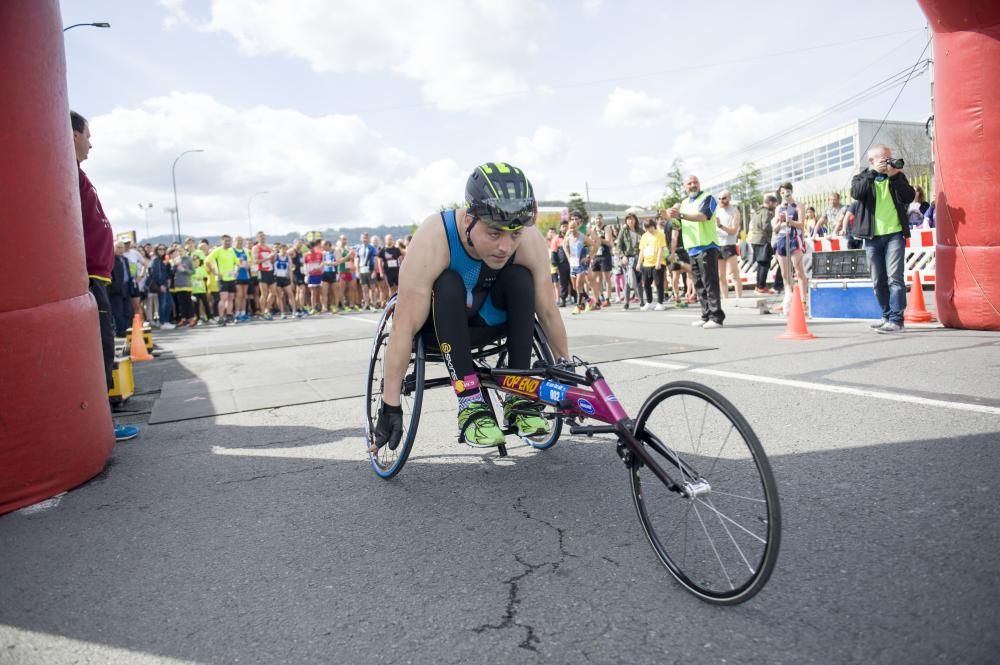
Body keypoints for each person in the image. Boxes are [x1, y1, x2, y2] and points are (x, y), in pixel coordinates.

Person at [371, 162, 570, 452]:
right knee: (448, 282)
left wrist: (565, 366)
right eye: (494, 234)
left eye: (514, 234)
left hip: (490, 324)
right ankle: (469, 402)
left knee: (519, 278)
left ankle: (519, 396)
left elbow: (549, 312)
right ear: (468, 221)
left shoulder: (528, 240)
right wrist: (390, 405)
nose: (505, 246)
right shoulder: (434, 237)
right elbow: (403, 328)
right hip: (437, 329)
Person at [71, 110, 139, 441]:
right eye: (88, 136)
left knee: (105, 349)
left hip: (97, 278)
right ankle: (102, 426)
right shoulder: (67, 174)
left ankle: (101, 422)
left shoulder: (76, 175)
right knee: (100, 352)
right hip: (88, 279)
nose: (91, 144)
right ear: (72, 136)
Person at [851, 144, 916, 334]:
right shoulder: (862, 177)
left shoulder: (896, 176)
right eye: (883, 158)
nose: (888, 160)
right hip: (872, 237)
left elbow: (909, 196)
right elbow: (856, 193)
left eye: (889, 156)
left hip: (895, 234)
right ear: (871, 161)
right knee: (878, 280)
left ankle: (897, 320)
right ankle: (886, 315)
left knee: (895, 278)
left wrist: (895, 176)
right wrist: (872, 173)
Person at [667, 175, 724, 328]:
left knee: (710, 282)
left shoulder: (708, 198)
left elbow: (703, 216)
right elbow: (678, 226)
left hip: (707, 246)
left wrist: (679, 214)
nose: (693, 185)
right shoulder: (684, 203)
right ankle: (706, 315)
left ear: (699, 184)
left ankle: (716, 317)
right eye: (689, 183)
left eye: (695, 182)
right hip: (692, 248)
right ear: (685, 187)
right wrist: (672, 217)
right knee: (699, 284)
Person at [772, 209, 808, 316]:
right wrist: (780, 221)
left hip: (794, 238)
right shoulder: (778, 212)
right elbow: (775, 229)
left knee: (798, 271)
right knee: (785, 274)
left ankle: (803, 300)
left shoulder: (797, 207)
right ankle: (788, 299)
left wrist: (789, 221)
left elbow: (801, 225)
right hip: (781, 240)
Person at [205, 235, 239, 325]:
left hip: (231, 278)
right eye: (226, 241)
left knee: (231, 298)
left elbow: (237, 263)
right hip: (222, 279)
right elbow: (207, 261)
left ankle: (228, 316)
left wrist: (236, 270)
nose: (228, 243)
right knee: (223, 298)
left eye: (229, 241)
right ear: (222, 242)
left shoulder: (231, 251)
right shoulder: (217, 250)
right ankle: (220, 318)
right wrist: (215, 272)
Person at [715, 190, 742, 299]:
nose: (721, 200)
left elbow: (734, 231)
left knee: (734, 274)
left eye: (724, 198)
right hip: (717, 245)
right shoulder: (716, 210)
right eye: (720, 198)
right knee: (721, 276)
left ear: (729, 198)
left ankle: (739, 298)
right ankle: (725, 299)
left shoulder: (734, 211)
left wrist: (720, 226)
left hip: (729, 245)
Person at [748, 195, 777, 294]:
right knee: (765, 264)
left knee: (760, 264)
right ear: (770, 202)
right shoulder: (766, 212)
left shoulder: (757, 211)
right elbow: (766, 226)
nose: (775, 206)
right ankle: (761, 286)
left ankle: (758, 286)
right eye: (774, 204)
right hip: (763, 240)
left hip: (755, 240)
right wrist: (775, 227)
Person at [615, 213, 642, 309]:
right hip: (628, 258)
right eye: (628, 219)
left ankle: (641, 300)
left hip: (639, 258)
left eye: (632, 219)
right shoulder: (624, 231)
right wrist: (623, 256)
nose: (631, 221)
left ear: (636, 220)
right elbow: (618, 246)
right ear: (626, 221)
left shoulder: (640, 231)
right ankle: (626, 302)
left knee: (639, 280)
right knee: (628, 280)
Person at [638, 218, 666, 311]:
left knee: (658, 283)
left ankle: (660, 303)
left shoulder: (660, 234)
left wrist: (658, 262)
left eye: (650, 227)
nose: (649, 229)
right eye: (647, 228)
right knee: (646, 284)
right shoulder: (644, 236)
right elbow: (642, 250)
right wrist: (639, 263)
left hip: (658, 263)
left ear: (654, 226)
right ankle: (649, 302)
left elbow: (661, 249)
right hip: (646, 263)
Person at [109, 241, 133, 335]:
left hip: (126, 287)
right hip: (116, 289)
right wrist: (114, 286)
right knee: (117, 311)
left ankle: (127, 329)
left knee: (127, 310)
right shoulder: (111, 259)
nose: (121, 249)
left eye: (122, 247)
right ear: (114, 248)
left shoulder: (125, 259)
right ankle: (120, 331)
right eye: (118, 247)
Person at [253, 231, 276, 320]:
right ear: (257, 238)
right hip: (261, 271)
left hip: (270, 271)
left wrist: (273, 257)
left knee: (273, 292)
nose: (262, 238)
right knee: (264, 293)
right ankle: (262, 312)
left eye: (263, 236)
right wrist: (268, 257)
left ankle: (267, 309)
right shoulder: (256, 248)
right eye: (260, 237)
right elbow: (255, 261)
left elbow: (272, 261)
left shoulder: (268, 247)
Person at [356, 232, 377, 310]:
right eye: (363, 238)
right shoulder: (359, 248)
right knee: (364, 288)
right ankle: (366, 303)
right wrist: (357, 271)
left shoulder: (372, 248)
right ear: (361, 239)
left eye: (366, 238)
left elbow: (375, 260)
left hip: (370, 269)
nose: (365, 239)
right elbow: (357, 260)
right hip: (362, 269)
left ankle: (374, 304)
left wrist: (374, 270)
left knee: (373, 288)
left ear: (368, 239)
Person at [378, 234, 403, 298]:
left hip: (396, 271)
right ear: (385, 240)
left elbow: (401, 260)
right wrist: (381, 272)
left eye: (391, 239)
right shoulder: (383, 250)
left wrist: (402, 270)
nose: (390, 240)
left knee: (398, 288)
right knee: (391, 288)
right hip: (388, 272)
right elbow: (379, 262)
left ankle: (398, 303)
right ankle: (391, 304)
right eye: (388, 239)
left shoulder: (396, 249)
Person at [233, 236, 251, 322]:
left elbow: (249, 262)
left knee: (244, 295)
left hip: (245, 275)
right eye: (238, 240)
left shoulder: (245, 251)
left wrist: (247, 265)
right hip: (237, 276)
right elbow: (232, 262)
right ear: (234, 242)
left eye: (241, 240)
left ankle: (243, 313)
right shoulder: (232, 251)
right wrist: (237, 263)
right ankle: (237, 313)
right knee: (239, 295)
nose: (240, 242)